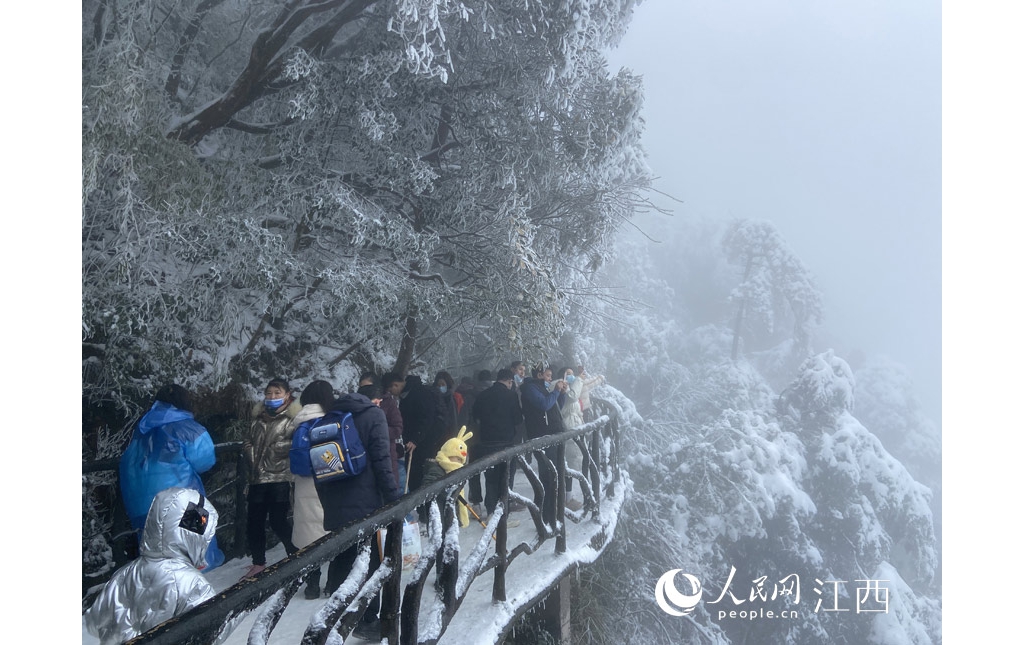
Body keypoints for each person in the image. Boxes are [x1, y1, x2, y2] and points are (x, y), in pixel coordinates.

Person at [316, 384, 401, 641]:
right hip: (365, 501)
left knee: (343, 558)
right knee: (370, 560)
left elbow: (318, 466)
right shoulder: (374, 416)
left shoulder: (328, 418)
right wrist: (395, 498)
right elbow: (382, 460)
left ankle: (335, 620)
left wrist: (327, 502)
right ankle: (366, 621)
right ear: (374, 400)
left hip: (334, 499)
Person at [85, 487, 219, 645]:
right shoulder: (192, 584)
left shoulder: (124, 574)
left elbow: (94, 623)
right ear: (196, 535)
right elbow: (214, 628)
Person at [119, 384, 224, 569]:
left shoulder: (140, 428)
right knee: (198, 549)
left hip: (140, 506)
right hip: (181, 502)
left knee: (156, 557)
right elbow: (206, 461)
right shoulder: (189, 428)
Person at [242, 378, 301, 579]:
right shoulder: (258, 418)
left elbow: (296, 443)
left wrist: (275, 450)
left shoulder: (293, 418)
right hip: (257, 477)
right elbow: (247, 441)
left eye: (277, 393)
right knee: (254, 521)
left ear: (287, 394)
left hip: (281, 477)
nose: (272, 397)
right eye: (269, 393)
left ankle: (295, 555)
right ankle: (258, 562)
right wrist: (252, 455)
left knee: (278, 521)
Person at [287, 379, 335, 599]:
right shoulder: (331, 421)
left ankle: (312, 586)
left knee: (309, 537)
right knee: (334, 533)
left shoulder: (300, 424)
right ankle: (333, 582)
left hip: (304, 485)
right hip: (329, 483)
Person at [471, 369, 524, 520]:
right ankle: (503, 512)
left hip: (487, 442)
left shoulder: (483, 395)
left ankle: (490, 512)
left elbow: (476, 416)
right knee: (506, 477)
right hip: (507, 442)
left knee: (491, 478)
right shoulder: (511, 395)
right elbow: (518, 419)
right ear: (509, 381)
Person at [520, 365, 568, 527]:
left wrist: (561, 394)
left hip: (552, 434)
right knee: (546, 477)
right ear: (539, 375)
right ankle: (543, 517)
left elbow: (555, 408)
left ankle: (551, 515)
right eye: (547, 375)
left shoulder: (542, 388)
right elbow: (544, 405)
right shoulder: (530, 389)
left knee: (553, 475)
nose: (550, 378)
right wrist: (555, 391)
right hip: (542, 436)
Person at [400, 374, 446, 493]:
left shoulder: (418, 394)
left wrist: (415, 439)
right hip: (424, 441)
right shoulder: (413, 394)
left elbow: (426, 419)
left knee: (420, 474)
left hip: (423, 442)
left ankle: (423, 506)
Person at [380, 372, 406, 488]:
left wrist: (379, 431)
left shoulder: (390, 403)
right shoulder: (365, 402)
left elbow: (397, 428)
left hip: (387, 452)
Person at [433, 370, 459, 436]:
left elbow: (454, 420)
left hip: (447, 434)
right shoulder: (432, 397)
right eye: (438, 385)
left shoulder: (451, 398)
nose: (440, 387)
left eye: (443, 384)